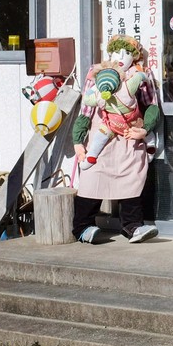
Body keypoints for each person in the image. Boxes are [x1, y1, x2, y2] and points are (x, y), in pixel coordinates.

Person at [71, 35, 162, 244]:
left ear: (135, 56)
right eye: (115, 53)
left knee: (131, 178)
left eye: (126, 53)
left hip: (130, 133)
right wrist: (78, 141)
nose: (120, 58)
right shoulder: (96, 73)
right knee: (92, 178)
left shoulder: (140, 74)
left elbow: (151, 106)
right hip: (101, 133)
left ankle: (132, 226)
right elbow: (86, 110)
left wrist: (145, 129)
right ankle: (82, 227)